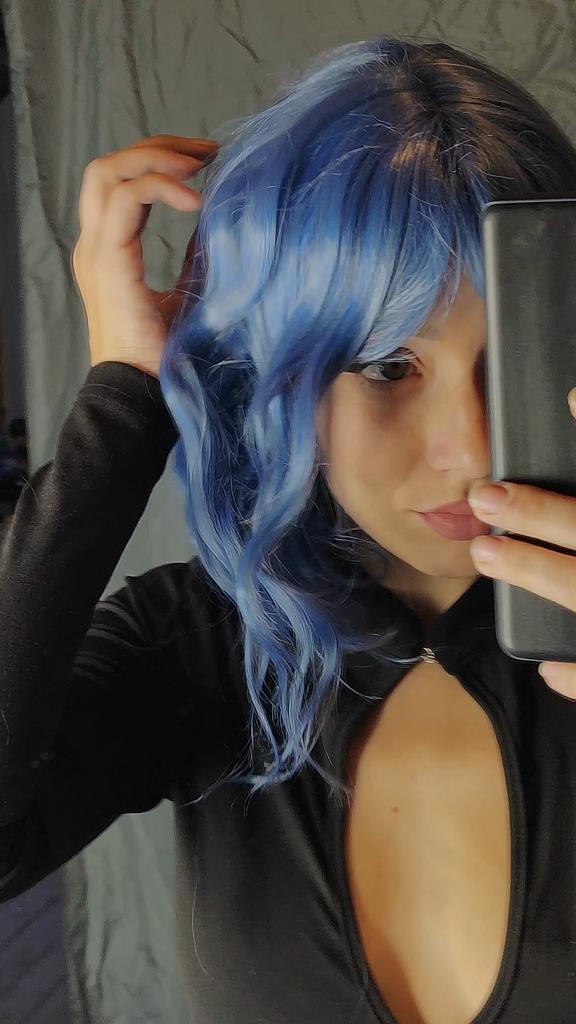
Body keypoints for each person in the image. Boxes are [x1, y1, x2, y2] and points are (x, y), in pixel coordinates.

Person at [2, 34, 576, 1024]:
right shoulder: (192, 645)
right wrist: (125, 399)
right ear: (275, 376)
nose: (469, 451)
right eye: (388, 365)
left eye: (508, 364)